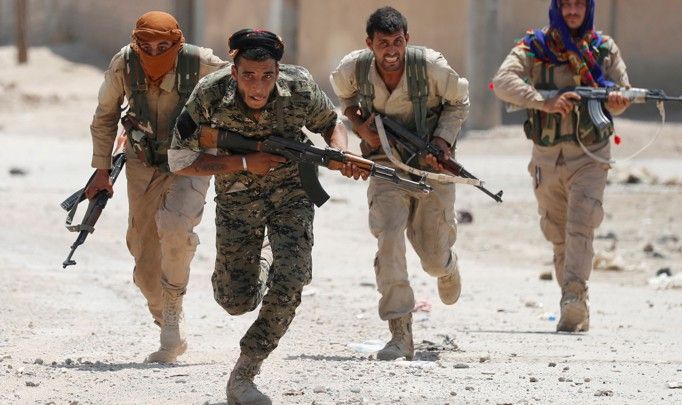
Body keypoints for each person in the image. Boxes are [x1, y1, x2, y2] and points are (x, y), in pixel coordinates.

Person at [168, 28, 364, 404]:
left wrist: (341, 151)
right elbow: (180, 160)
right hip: (237, 200)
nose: (258, 86)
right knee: (234, 301)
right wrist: (244, 161)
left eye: (268, 75)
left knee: (293, 276)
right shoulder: (210, 94)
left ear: (278, 69)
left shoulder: (300, 86)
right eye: (248, 76)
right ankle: (264, 261)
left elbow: (331, 123)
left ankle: (246, 372)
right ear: (233, 70)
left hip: (293, 192)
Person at [85, 11, 237, 363]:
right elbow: (105, 116)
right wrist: (101, 169)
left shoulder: (198, 62)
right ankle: (164, 312)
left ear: (178, 43)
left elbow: (242, 87)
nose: (154, 53)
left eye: (163, 46)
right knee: (143, 261)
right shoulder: (124, 63)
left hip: (192, 158)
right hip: (143, 161)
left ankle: (172, 318)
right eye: (146, 45)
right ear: (135, 43)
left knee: (174, 226)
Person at [330, 6, 469, 361]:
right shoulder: (353, 69)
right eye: (382, 44)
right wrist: (360, 126)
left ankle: (448, 267)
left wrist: (440, 143)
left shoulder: (432, 67)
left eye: (397, 42)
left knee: (433, 258)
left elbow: (458, 102)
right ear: (370, 44)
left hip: (429, 168)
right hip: (384, 165)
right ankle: (400, 332)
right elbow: (344, 99)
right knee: (389, 236)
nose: (390, 51)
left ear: (407, 39)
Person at [492, 0, 631, 332]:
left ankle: (574, 297)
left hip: (591, 155)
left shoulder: (603, 48)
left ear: (588, 8)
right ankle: (572, 301)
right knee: (557, 234)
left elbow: (624, 93)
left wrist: (616, 99)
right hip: (547, 155)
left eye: (578, 5)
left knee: (581, 221)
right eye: (566, 4)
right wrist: (545, 101)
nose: (572, 11)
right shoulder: (535, 47)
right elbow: (502, 81)